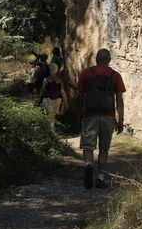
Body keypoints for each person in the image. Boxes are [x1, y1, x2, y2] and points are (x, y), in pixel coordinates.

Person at [76, 48, 126, 189]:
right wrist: (120, 120)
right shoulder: (115, 76)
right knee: (104, 149)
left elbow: (80, 96)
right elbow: (119, 100)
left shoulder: (87, 73)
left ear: (96, 59)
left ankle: (88, 165)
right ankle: (100, 177)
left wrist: (79, 113)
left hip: (90, 115)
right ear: (109, 61)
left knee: (88, 146)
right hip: (108, 117)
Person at [38, 63, 68, 130]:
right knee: (53, 117)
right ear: (56, 70)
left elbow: (42, 91)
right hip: (58, 100)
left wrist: (39, 100)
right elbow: (63, 92)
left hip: (48, 100)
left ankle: (51, 132)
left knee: (49, 117)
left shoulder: (46, 79)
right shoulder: (59, 80)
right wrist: (66, 102)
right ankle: (52, 130)